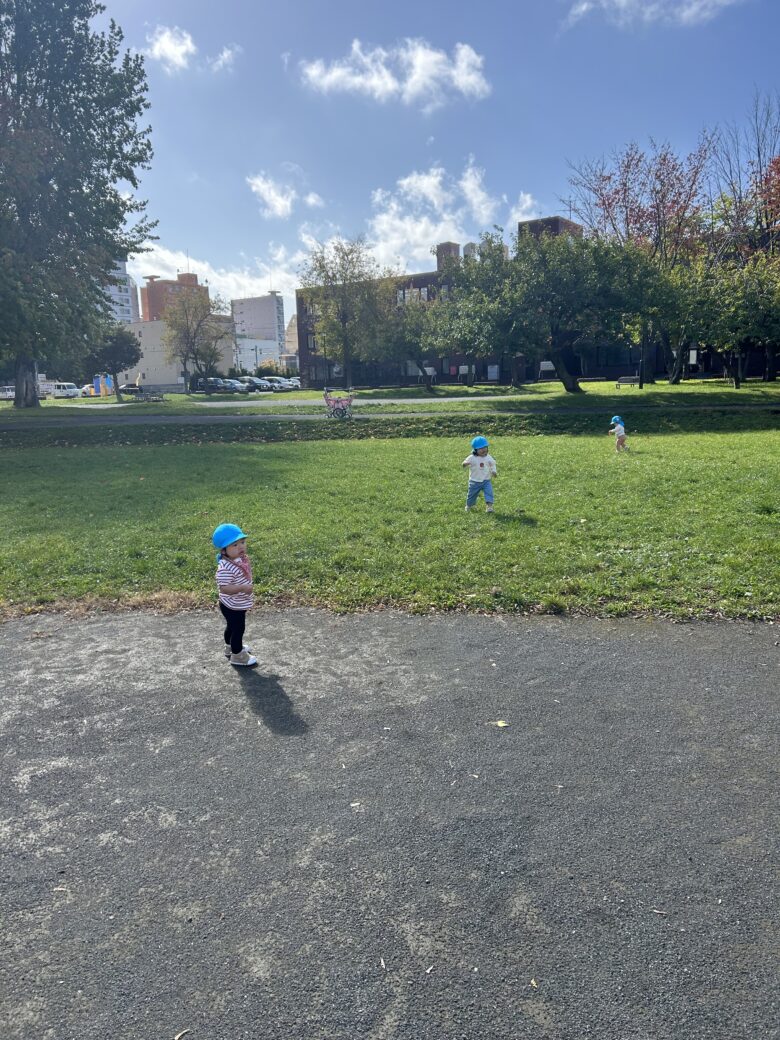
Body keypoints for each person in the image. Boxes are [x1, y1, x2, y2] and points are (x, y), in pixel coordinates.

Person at [213, 523, 257, 667]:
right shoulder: (225, 567)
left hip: (236, 603)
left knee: (232, 627)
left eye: (242, 542)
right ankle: (238, 655)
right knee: (238, 629)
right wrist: (242, 588)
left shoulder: (238, 559)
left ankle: (230, 647)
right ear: (224, 550)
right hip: (232, 605)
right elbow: (224, 588)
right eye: (235, 545)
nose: (241, 547)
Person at [462, 435, 497, 512]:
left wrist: (494, 471)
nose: (483, 450)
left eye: (485, 447)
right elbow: (465, 462)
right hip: (474, 481)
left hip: (486, 480)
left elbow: (493, 464)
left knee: (489, 493)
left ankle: (489, 507)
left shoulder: (488, 457)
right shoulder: (472, 457)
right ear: (475, 450)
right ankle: (469, 506)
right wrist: (465, 464)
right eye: (480, 448)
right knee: (472, 495)